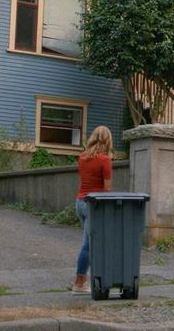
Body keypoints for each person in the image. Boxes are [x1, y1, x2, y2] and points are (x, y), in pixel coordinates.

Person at [72, 125, 113, 294]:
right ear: (108, 140)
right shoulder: (105, 160)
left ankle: (84, 280)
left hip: (80, 202)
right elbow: (107, 188)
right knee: (87, 245)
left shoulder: (82, 157)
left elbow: (85, 182)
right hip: (94, 205)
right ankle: (80, 283)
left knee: (89, 243)